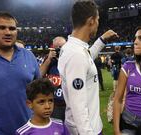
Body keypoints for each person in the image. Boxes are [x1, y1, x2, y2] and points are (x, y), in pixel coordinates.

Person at [58, 1, 118, 135]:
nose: (98, 24)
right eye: (97, 20)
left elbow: (86, 59)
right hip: (85, 129)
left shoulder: (73, 49)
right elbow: (78, 106)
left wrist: (102, 40)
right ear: (91, 21)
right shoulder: (76, 54)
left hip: (86, 126)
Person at [0, 12, 40, 135]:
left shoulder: (28, 56)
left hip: (26, 130)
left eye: (12, 28)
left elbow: (38, 93)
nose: (8, 32)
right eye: (1, 27)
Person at [40, 36, 66, 121]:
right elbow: (39, 75)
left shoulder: (71, 58)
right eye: (57, 48)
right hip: (55, 103)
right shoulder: (49, 59)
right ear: (53, 48)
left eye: (62, 46)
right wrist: (49, 59)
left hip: (70, 102)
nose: (60, 49)